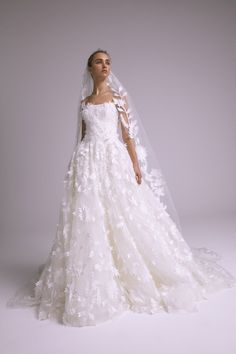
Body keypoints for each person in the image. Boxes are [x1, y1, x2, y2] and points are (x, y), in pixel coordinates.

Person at [7, 49, 236, 327]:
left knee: (122, 212)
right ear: (89, 69)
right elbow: (82, 137)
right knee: (90, 216)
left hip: (113, 159)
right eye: (99, 62)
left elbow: (127, 135)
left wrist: (136, 165)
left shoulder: (118, 99)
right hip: (87, 163)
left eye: (108, 62)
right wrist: (74, 165)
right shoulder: (84, 103)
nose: (105, 66)